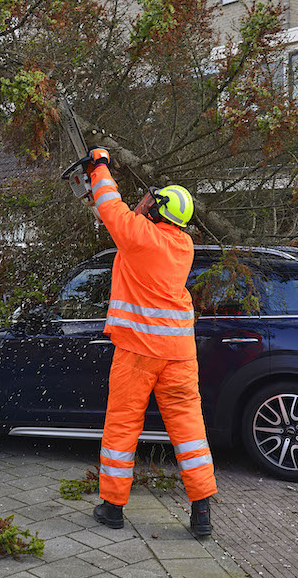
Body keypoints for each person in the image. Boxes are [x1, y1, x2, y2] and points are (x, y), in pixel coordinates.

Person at [86, 148, 217, 537]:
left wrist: (100, 164)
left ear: (158, 211)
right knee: (190, 431)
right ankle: (202, 513)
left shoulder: (141, 237)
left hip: (139, 352)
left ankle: (112, 508)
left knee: (123, 426)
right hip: (179, 355)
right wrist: (147, 207)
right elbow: (128, 223)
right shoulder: (183, 246)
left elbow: (110, 207)